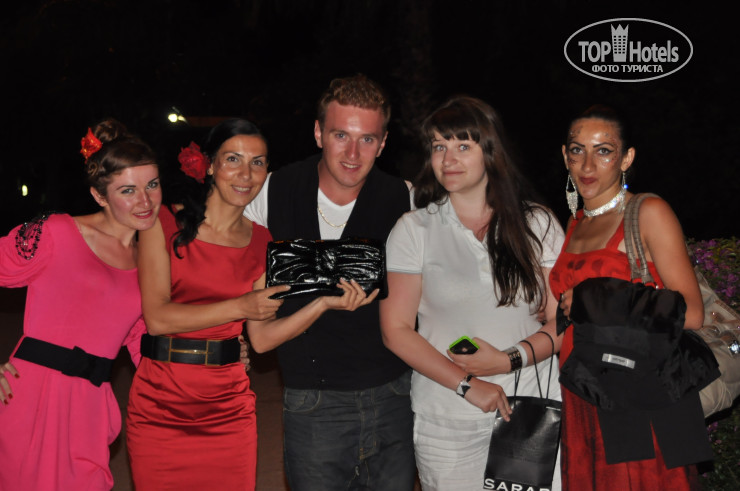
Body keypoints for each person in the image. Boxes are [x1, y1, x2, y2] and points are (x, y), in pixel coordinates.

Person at [126, 118, 374, 490]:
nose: (246, 174)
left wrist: (322, 304)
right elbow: (158, 318)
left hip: (228, 407)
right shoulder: (163, 223)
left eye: (257, 162)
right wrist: (241, 306)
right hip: (160, 403)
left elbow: (261, 339)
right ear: (210, 164)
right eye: (233, 159)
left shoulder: (262, 241)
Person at [379, 95, 565, 490]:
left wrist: (507, 360)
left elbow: (562, 322)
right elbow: (396, 330)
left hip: (529, 413)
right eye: (438, 146)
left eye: (463, 146)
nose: (448, 159)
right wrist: (467, 385)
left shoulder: (538, 224)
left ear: (491, 152)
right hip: (447, 420)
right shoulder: (414, 229)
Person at [243, 74, 416, 490]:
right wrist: (230, 335)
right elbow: (225, 262)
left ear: (383, 143)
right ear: (319, 133)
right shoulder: (270, 191)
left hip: (394, 396)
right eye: (341, 135)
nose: (353, 153)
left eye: (367, 139)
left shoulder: (407, 198)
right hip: (312, 402)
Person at [550, 105, 710, 489]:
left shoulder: (648, 212)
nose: (588, 164)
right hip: (580, 391)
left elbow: (692, 313)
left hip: (633, 392)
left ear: (626, 157)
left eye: (603, 151)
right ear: (565, 155)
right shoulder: (575, 222)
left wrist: (596, 296)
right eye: (578, 150)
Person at [0, 119, 162, 490]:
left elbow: (147, 345)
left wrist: (217, 355)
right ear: (99, 196)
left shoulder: (150, 262)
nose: (145, 201)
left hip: (90, 407)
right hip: (30, 397)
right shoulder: (56, 232)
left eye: (152, 185)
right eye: (128, 190)